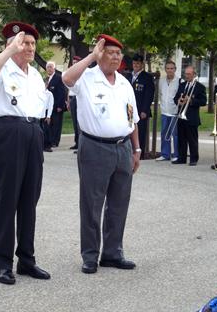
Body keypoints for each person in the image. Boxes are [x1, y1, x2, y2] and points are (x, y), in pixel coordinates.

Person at [62, 34, 141, 274]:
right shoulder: (86, 77)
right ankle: (90, 255)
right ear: (100, 53)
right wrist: (91, 57)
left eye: (119, 53)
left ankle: (113, 253)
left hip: (123, 147)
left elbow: (132, 118)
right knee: (92, 204)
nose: (116, 57)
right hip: (95, 147)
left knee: (119, 203)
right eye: (111, 52)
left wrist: (136, 149)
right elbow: (66, 78)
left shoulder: (124, 83)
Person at [0, 21, 51, 285]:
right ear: (11, 44)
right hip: (7, 133)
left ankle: (27, 260)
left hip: (33, 133)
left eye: (33, 43)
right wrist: (9, 51)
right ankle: (3, 262)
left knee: (29, 200)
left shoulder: (34, 74)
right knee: (7, 200)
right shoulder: (2, 67)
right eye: (24, 43)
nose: (30, 47)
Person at [172, 66, 207, 166]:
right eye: (186, 74)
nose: (186, 76)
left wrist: (191, 100)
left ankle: (193, 159)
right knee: (181, 138)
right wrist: (178, 101)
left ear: (194, 74)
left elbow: (203, 101)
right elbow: (176, 98)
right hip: (181, 115)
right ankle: (181, 158)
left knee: (192, 139)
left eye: (189, 74)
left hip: (192, 117)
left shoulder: (200, 87)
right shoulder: (182, 85)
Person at [126, 53, 155, 159]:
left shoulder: (147, 77)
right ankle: (130, 151)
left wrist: (145, 110)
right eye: (134, 63)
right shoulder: (129, 76)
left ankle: (140, 154)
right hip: (129, 109)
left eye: (138, 63)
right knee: (129, 129)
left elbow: (149, 95)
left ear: (142, 64)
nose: (135, 65)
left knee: (140, 132)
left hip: (140, 110)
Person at [157, 60, 180, 161]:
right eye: (168, 68)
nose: (170, 70)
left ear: (175, 69)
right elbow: (160, 94)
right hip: (164, 112)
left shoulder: (179, 81)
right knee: (164, 134)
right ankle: (165, 154)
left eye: (172, 68)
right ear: (165, 69)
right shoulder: (161, 81)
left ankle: (176, 155)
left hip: (174, 112)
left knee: (175, 135)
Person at [46, 61, 67, 148]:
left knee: (56, 124)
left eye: (51, 67)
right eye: (48, 67)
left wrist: (60, 105)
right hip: (49, 106)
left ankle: (55, 141)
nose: (49, 69)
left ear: (54, 68)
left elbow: (62, 92)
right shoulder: (47, 78)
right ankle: (50, 140)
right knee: (50, 124)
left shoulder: (58, 78)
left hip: (57, 105)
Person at [68, 55, 82, 152]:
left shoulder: (81, 73)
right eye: (73, 62)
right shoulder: (71, 72)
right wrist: (68, 100)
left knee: (79, 122)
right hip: (72, 98)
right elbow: (68, 89)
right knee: (74, 122)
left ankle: (81, 144)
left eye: (76, 62)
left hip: (78, 97)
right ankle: (77, 142)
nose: (74, 64)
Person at [42, 86, 54, 152]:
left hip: (46, 112)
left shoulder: (49, 94)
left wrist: (48, 116)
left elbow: (50, 105)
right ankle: (41, 145)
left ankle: (47, 145)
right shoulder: (38, 92)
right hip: (39, 112)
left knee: (46, 130)